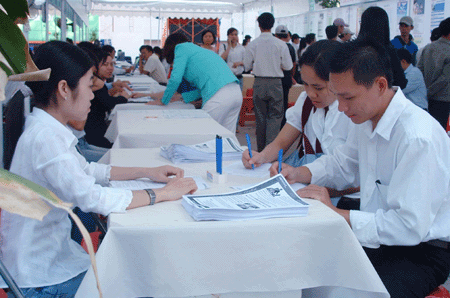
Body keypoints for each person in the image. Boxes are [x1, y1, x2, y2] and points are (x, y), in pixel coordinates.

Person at [0, 40, 198, 297]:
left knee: (143, 274)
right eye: (87, 84)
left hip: (50, 263)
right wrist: (161, 194)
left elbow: (88, 171)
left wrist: (147, 172)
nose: (93, 93)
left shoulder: (47, 127)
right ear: (63, 88)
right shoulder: (45, 138)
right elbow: (93, 198)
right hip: (42, 280)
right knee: (148, 283)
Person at [270, 38, 450, 298]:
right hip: (378, 236)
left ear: (380, 85)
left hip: (420, 251)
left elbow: (408, 226)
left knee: (341, 293)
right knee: (302, 271)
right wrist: (297, 173)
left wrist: (338, 213)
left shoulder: (416, 137)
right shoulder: (367, 119)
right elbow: (344, 163)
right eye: (337, 97)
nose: (341, 108)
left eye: (347, 97)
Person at [242, 40, 358, 207]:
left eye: (318, 87)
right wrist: (260, 157)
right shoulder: (305, 102)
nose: (311, 93)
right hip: (307, 186)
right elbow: (281, 142)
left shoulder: (353, 113)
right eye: (305, 84)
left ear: (338, 80)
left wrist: (304, 179)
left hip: (344, 197)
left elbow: (356, 176)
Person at [146, 33, 242, 133]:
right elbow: (204, 88)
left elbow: (175, 79)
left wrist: (163, 101)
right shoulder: (200, 52)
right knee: (227, 139)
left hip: (220, 97)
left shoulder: (181, 48)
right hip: (235, 93)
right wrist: (182, 97)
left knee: (202, 136)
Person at [244, 12, 293, 152]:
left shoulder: (253, 44)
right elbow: (288, 66)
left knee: (260, 117)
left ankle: (261, 150)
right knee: (276, 117)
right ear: (272, 25)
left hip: (259, 82)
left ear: (259, 25)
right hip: (276, 83)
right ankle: (270, 151)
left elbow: (247, 66)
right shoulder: (280, 44)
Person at [78, 43, 130, 148]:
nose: (110, 68)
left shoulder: (98, 84)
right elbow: (107, 103)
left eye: (111, 64)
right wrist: (123, 97)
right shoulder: (96, 84)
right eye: (105, 65)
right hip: (92, 136)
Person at [357, 6, 408, 89]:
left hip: (355, 99)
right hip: (381, 99)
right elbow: (401, 82)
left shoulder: (354, 50)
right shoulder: (389, 51)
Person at [418, 17, 450, 129]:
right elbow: (445, 79)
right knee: (439, 132)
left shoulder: (428, 48)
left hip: (425, 99)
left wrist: (425, 92)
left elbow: (419, 71)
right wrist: (430, 92)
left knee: (426, 128)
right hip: (442, 99)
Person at [275, 24, 297, 128]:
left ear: (276, 35)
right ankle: (282, 125)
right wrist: (291, 76)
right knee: (284, 103)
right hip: (286, 79)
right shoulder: (291, 47)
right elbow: (293, 64)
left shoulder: (274, 46)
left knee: (274, 104)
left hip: (275, 79)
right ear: (287, 35)